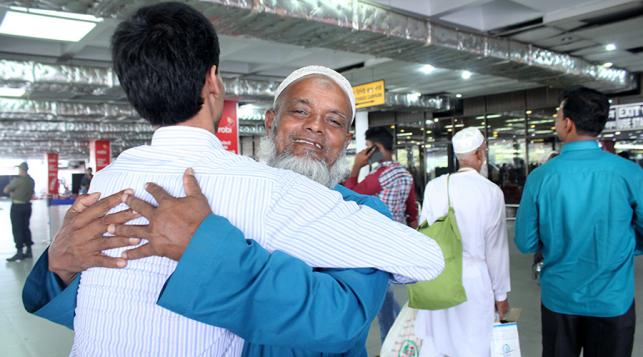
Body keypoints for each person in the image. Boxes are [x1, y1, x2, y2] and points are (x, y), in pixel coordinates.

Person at [22, 3, 444, 356]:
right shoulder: (251, 185)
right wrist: (60, 267)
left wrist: (211, 251)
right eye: (299, 111)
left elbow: (338, 322)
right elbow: (115, 299)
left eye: (333, 121)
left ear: (347, 139)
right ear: (269, 121)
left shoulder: (362, 211)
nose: (315, 127)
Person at [515, 87, 643, 357]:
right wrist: (624, 245)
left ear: (568, 124)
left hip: (559, 298)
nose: (556, 120)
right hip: (612, 300)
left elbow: (525, 241)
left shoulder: (542, 177)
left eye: (557, 114)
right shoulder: (629, 173)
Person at [414, 127, 510, 357]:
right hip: (474, 281)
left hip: (438, 278)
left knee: (438, 346)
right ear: (479, 153)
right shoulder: (491, 192)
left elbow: (423, 233)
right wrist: (501, 295)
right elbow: (495, 250)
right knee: (474, 346)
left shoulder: (435, 186)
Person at [344, 126, 418, 341]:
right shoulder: (405, 173)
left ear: (376, 148)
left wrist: (357, 166)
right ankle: (396, 336)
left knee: (381, 297)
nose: (365, 152)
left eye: (368, 147)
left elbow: (350, 195)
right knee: (384, 294)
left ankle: (391, 342)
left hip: (376, 242)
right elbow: (411, 209)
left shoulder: (381, 176)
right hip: (395, 240)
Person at [4, 161, 35, 262]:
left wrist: (13, 192)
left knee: (17, 229)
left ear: (21, 170)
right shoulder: (31, 180)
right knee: (26, 228)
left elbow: (6, 190)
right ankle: (29, 251)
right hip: (27, 206)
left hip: (17, 206)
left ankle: (19, 252)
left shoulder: (17, 180)